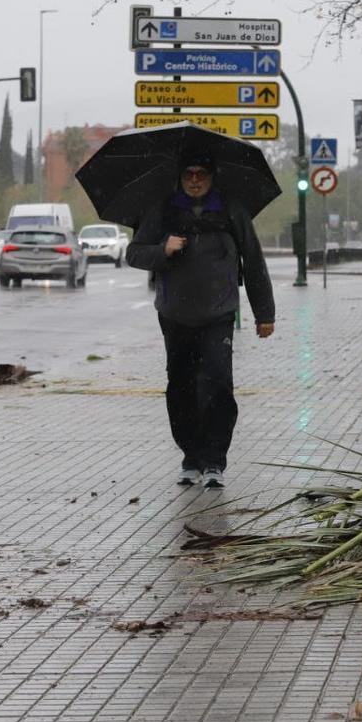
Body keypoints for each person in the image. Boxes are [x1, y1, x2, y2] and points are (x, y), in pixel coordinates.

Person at [126, 150, 275, 489]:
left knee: (218, 384)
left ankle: (214, 460)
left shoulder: (231, 210)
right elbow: (134, 254)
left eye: (201, 174)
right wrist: (162, 249)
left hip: (218, 314)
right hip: (174, 315)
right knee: (181, 387)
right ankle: (190, 457)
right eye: (189, 174)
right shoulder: (162, 210)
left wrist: (264, 313)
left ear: (212, 177)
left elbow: (253, 262)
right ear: (180, 177)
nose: (195, 180)